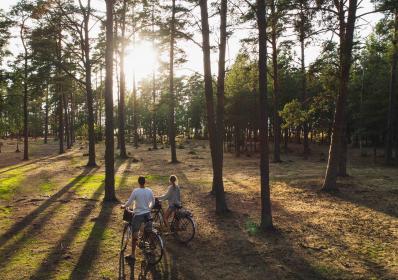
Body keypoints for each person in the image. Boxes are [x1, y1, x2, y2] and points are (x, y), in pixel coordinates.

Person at [121, 176, 155, 265]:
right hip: (147, 213)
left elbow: (129, 202)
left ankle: (133, 255)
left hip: (138, 215)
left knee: (134, 235)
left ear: (138, 182)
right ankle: (150, 247)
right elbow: (153, 202)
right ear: (145, 182)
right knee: (148, 230)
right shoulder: (149, 190)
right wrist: (149, 208)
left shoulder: (136, 191)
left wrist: (124, 206)